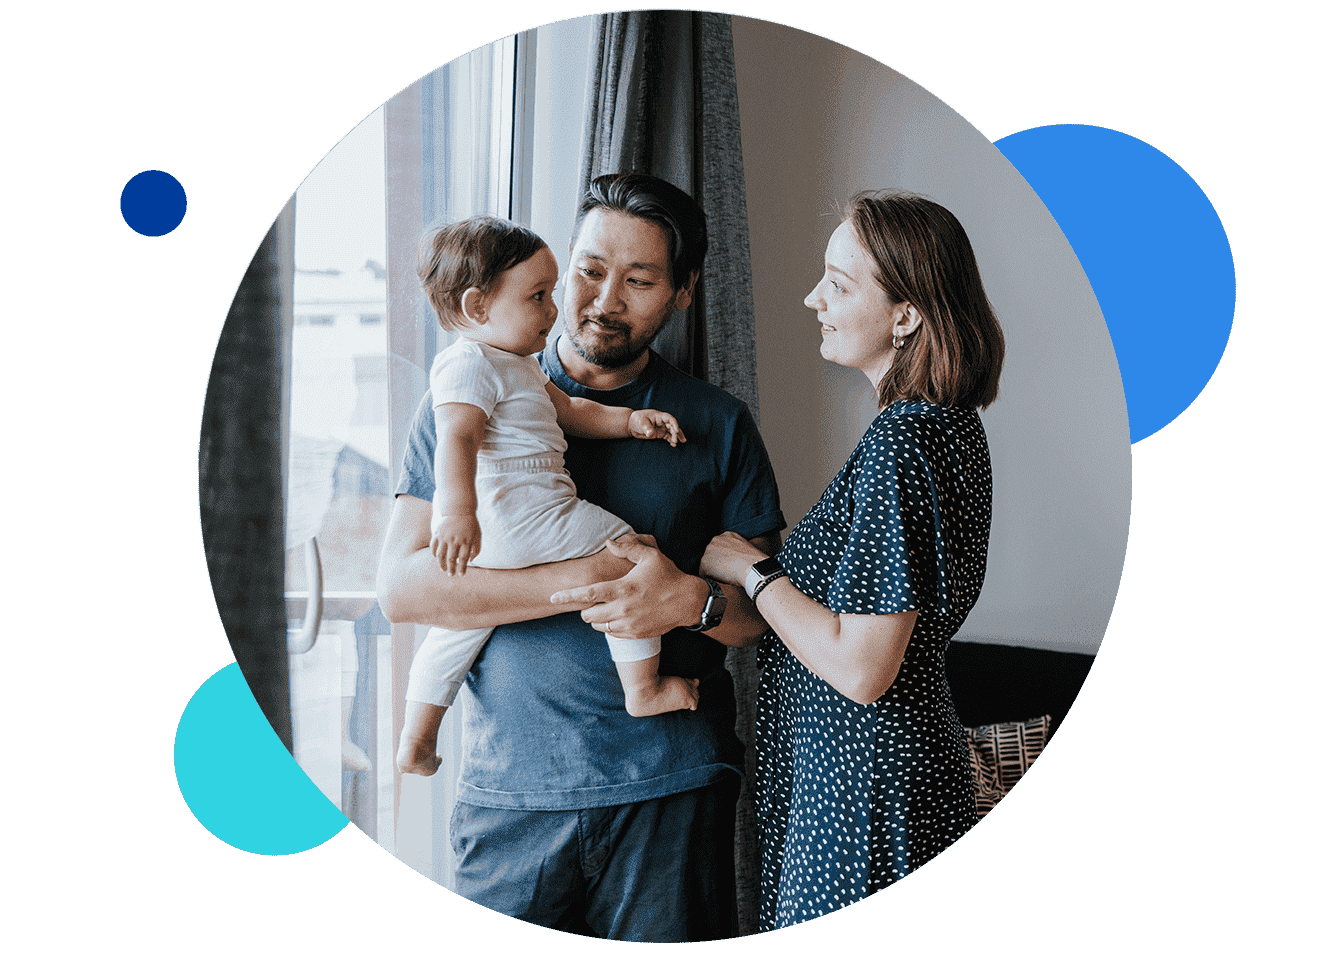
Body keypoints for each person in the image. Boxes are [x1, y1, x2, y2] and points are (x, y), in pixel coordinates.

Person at [376, 173, 785, 941]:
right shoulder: (467, 391)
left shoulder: (718, 425)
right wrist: (586, 579)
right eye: (590, 271)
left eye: (640, 280)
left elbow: (760, 621)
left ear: (683, 292)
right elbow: (404, 591)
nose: (603, 301)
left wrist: (692, 603)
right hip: (511, 797)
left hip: (669, 791)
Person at [701, 191, 1005, 930]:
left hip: (863, 792)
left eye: (838, 285)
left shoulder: (905, 440)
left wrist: (751, 569)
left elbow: (862, 668)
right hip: (863, 782)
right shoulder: (943, 429)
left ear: (906, 316)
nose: (813, 298)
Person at [397, 215, 700, 779]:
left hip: (495, 543)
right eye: (538, 296)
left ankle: (418, 736)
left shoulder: (517, 368)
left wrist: (632, 421)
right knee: (634, 555)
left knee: (456, 632)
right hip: (525, 518)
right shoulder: (466, 365)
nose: (554, 310)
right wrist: (456, 513)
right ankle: (643, 687)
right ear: (476, 307)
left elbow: (575, 413)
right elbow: (456, 440)